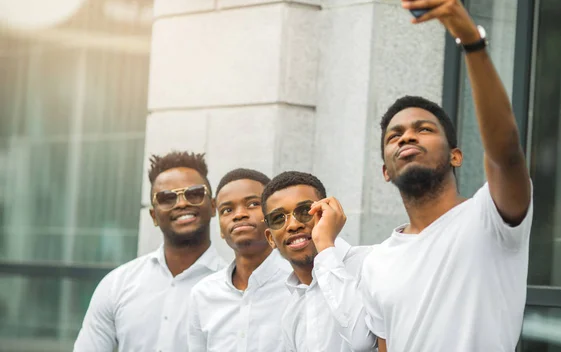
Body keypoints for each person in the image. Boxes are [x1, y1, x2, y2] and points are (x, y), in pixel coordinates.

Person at [360, 0, 534, 352]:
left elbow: (505, 151)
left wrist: (471, 40)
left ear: (456, 155)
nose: (407, 137)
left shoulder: (491, 219)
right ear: (385, 171)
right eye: (395, 135)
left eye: (423, 129)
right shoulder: (376, 263)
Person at [74, 151, 226, 352]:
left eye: (194, 193)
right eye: (166, 198)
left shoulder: (235, 289)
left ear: (213, 206)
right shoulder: (116, 285)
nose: (182, 203)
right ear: (154, 215)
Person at [261, 171, 376, 352]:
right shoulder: (290, 314)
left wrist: (325, 245)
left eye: (305, 211)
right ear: (270, 239)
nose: (293, 225)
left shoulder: (373, 263)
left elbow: (362, 341)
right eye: (278, 219)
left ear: (327, 213)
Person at [187, 168, 292, 351]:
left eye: (252, 204)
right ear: (220, 228)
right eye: (227, 210)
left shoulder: (299, 284)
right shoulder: (203, 294)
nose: (239, 214)